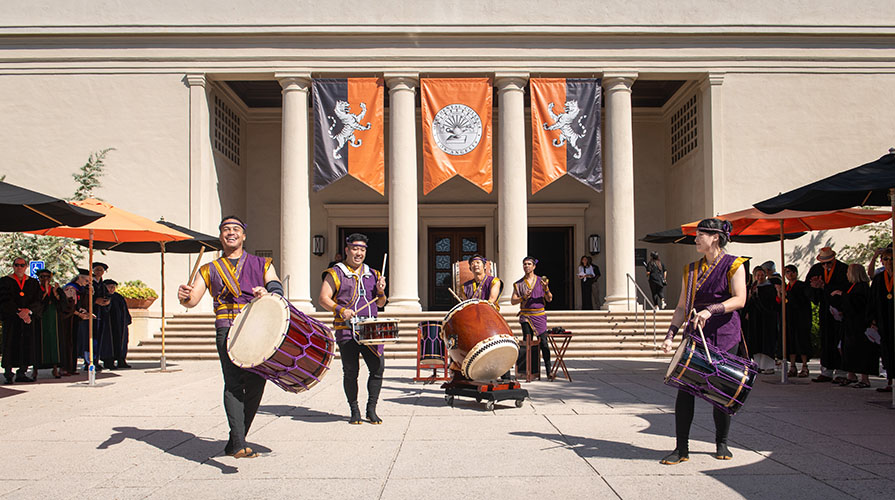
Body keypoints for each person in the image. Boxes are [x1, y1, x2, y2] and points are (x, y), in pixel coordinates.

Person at [178, 215, 284, 459]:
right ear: (220, 236)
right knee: (234, 382)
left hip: (256, 328)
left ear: (244, 236)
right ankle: (238, 443)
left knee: (257, 383)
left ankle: (236, 439)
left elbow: (276, 285)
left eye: (236, 229)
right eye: (226, 229)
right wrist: (183, 295)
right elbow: (191, 300)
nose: (231, 233)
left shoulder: (262, 263)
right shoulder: (208, 269)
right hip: (226, 328)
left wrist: (266, 290)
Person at [660, 218, 747, 465]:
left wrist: (711, 309)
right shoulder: (691, 269)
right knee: (685, 391)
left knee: (721, 390)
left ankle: (722, 442)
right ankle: (681, 448)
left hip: (726, 334)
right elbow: (680, 307)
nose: (696, 239)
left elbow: (740, 299)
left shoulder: (734, 265)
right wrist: (670, 335)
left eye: (700, 235)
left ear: (715, 237)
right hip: (696, 336)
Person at [319, 233, 388, 425]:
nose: (359, 253)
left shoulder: (373, 273)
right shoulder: (336, 272)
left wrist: (381, 291)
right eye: (355, 249)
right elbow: (323, 298)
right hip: (347, 329)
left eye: (363, 249)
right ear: (347, 250)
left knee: (377, 368)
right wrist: (340, 309)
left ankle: (371, 409)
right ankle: (354, 410)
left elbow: (381, 303)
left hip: (371, 329)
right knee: (351, 371)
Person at [806, 247, 849, 383]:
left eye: (828, 263)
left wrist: (825, 287)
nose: (826, 266)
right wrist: (814, 288)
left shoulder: (843, 269)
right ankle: (826, 370)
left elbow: (845, 288)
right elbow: (808, 288)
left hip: (840, 309)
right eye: (823, 263)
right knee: (826, 338)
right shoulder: (816, 269)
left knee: (839, 339)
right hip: (825, 308)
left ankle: (841, 371)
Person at [830, 264, 877, 388]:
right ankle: (851, 374)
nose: (846, 275)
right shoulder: (852, 286)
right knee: (847, 348)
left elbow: (859, 303)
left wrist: (842, 295)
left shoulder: (863, 287)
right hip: (850, 323)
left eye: (848, 272)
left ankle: (865, 379)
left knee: (861, 350)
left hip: (860, 324)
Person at [1, 257, 42, 384]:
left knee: (26, 344)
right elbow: (3, 300)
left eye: (22, 265)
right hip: (12, 319)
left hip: (28, 319)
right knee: (10, 344)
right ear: (13, 266)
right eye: (17, 265)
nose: (19, 267)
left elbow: (38, 300)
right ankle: (8, 373)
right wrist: (19, 312)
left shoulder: (33, 283)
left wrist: (29, 311)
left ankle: (22, 372)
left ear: (26, 267)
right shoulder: (4, 282)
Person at [512, 257, 553, 380]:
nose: (526, 266)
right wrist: (523, 297)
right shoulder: (519, 283)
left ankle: (549, 371)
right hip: (525, 315)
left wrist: (546, 289)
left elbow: (549, 298)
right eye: (524, 264)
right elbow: (513, 301)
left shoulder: (541, 281)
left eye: (529, 264)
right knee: (527, 342)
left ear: (534, 266)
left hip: (539, 315)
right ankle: (527, 371)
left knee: (544, 343)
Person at [868, 247, 894, 393]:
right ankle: (890, 380)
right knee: (886, 350)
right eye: (886, 259)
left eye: (891, 259)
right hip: (883, 318)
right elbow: (872, 300)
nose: (889, 262)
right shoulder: (879, 278)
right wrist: (872, 319)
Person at [745, 266, 778, 374]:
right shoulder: (753, 287)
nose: (760, 277)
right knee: (756, 340)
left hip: (767, 318)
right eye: (758, 275)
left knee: (766, 341)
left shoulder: (770, 287)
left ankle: (768, 366)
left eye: (762, 275)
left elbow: (772, 304)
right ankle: (758, 365)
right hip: (755, 319)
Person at [782, 265, 812, 378]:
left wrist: (787, 295)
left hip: (801, 318)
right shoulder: (786, 287)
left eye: (791, 272)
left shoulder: (801, 286)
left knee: (802, 342)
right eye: (787, 273)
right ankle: (792, 366)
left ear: (795, 273)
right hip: (789, 318)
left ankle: (804, 366)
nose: (789, 274)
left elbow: (802, 301)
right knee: (791, 342)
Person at [35, 268, 63, 379]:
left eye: (48, 276)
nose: (45, 279)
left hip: (54, 319)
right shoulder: (36, 288)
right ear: (39, 277)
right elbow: (35, 302)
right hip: (40, 319)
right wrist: (45, 293)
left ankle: (55, 368)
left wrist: (56, 294)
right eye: (42, 276)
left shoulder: (54, 288)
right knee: (39, 343)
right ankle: (35, 370)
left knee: (54, 342)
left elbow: (62, 303)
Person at [91, 262, 115, 370]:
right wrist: (95, 301)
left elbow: (107, 296)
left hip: (101, 314)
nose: (99, 272)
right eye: (97, 269)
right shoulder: (90, 283)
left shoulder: (102, 285)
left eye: (101, 270)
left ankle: (96, 360)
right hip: (92, 314)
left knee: (99, 338)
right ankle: (89, 361)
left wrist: (107, 302)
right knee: (91, 337)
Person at [105, 279, 132, 369]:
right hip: (109, 324)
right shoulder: (104, 297)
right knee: (109, 343)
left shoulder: (118, 297)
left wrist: (127, 319)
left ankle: (121, 360)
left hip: (120, 324)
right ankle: (109, 362)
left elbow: (124, 309)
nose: (112, 289)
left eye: (113, 287)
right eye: (109, 287)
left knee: (122, 341)